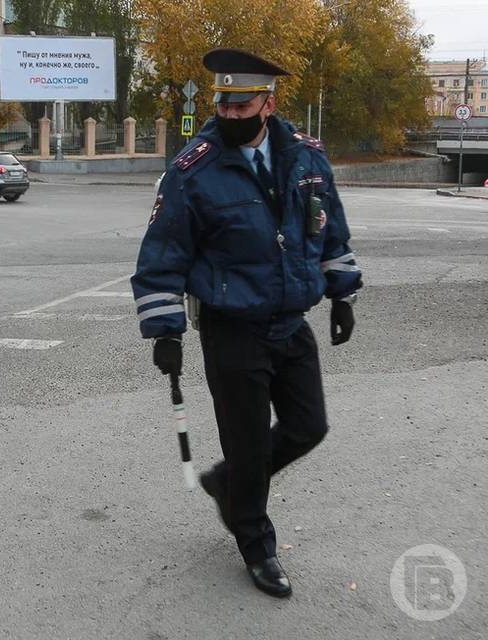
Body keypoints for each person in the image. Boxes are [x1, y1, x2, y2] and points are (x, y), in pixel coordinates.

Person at [131, 48, 362, 598]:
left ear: (268, 103)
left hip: (290, 319)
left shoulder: (306, 159)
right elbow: (163, 254)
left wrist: (343, 293)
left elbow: (330, 232)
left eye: (242, 106)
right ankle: (256, 543)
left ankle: (227, 484)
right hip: (232, 327)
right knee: (251, 443)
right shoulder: (194, 169)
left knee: (309, 427)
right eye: (224, 105)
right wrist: (165, 330)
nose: (231, 115)